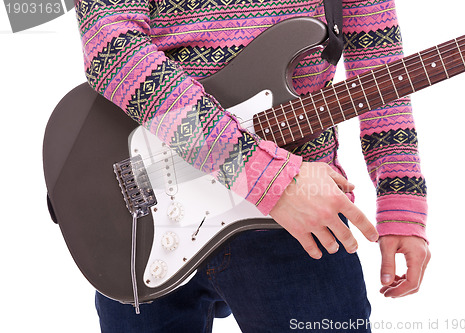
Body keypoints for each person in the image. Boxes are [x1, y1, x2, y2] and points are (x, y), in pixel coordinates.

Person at [73, 0, 430, 331]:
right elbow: (112, 48)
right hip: (145, 211)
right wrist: (260, 172)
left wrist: (401, 196)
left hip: (301, 222)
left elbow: (379, 61)